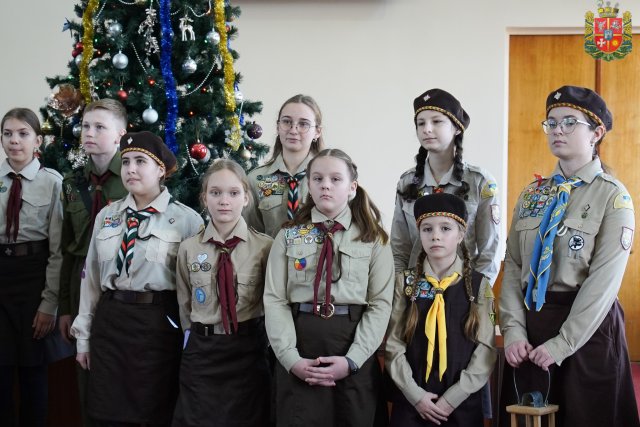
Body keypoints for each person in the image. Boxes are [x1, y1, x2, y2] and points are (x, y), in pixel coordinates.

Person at [499, 85, 639, 427]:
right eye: (551, 123)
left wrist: (562, 344)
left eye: (569, 122)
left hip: (587, 334)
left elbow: (603, 284)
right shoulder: (531, 195)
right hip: (531, 332)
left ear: (597, 133)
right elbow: (514, 265)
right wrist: (513, 330)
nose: (557, 130)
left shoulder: (613, 197)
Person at [71, 131, 204, 426]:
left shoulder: (186, 220)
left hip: (157, 326)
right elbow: (90, 281)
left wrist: (191, 342)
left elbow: (194, 289)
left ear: (160, 170)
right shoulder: (107, 217)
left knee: (153, 412)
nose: (130, 169)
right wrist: (83, 339)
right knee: (106, 412)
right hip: (111, 325)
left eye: (140, 161)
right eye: (126, 161)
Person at [264, 148, 394, 427]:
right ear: (308, 186)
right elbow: (275, 300)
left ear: (352, 187)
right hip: (300, 348)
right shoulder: (288, 235)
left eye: (335, 179)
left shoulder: (374, 239)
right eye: (318, 178)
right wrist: (290, 359)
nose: (325, 185)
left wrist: (352, 360)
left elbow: (381, 304)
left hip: (352, 348)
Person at [172, 159, 273, 427]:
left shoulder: (265, 247)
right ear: (204, 198)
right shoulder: (189, 248)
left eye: (233, 193)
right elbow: (184, 302)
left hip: (248, 351)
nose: (224, 201)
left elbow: (273, 302)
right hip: (203, 353)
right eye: (215, 193)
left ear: (246, 198)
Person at [385, 193, 496, 426]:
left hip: (461, 403)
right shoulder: (405, 283)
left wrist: (452, 399)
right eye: (427, 229)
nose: (435, 235)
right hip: (412, 403)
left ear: (461, 235)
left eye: (445, 228)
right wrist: (416, 396)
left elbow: (485, 349)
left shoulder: (479, 285)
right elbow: (394, 345)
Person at [58, 99, 128, 426]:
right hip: (79, 283)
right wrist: (64, 307)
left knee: (121, 375)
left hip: (117, 285)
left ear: (120, 134)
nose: (89, 133)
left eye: (100, 127)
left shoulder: (131, 178)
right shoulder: (72, 183)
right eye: (86, 126)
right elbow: (66, 249)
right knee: (85, 372)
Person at [391, 88, 501, 283]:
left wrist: (476, 293)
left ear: (457, 128)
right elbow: (399, 249)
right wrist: (401, 290)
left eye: (436, 121)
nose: (427, 129)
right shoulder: (407, 182)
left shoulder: (480, 182)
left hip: (464, 289)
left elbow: (489, 252)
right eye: (421, 123)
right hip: (415, 290)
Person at [0, 108, 63, 426]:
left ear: (38, 140)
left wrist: (49, 303)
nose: (14, 141)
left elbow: (58, 251)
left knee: (32, 374)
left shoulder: (53, 183)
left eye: (23, 134)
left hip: (34, 279)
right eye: (8, 134)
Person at [245, 94, 324, 238]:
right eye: (287, 122)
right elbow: (250, 236)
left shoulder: (329, 179)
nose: (293, 130)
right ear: (278, 127)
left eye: (303, 124)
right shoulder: (256, 179)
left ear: (317, 132)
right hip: (269, 253)